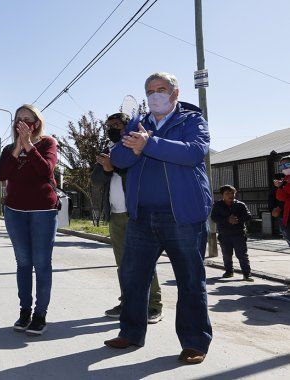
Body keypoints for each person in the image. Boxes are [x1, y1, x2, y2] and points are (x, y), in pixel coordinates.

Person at [104, 72, 213, 365]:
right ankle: (130, 332)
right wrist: (134, 141)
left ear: (175, 94)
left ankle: (194, 343)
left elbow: (194, 153)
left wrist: (149, 144)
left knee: (190, 282)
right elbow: (120, 159)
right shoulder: (139, 123)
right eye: (150, 90)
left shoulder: (191, 121)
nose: (156, 95)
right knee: (133, 278)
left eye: (161, 89)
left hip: (183, 217)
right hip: (142, 216)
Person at [91, 113, 163, 323]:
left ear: (128, 125)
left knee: (144, 263)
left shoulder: (137, 146)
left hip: (136, 214)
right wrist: (106, 169)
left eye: (117, 124)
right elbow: (96, 179)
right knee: (123, 264)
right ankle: (127, 302)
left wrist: (115, 167)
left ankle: (153, 305)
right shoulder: (109, 150)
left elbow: (139, 174)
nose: (112, 129)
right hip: (115, 216)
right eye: (109, 126)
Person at [0, 105, 58, 336]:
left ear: (37, 123)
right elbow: (2, 175)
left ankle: (40, 314)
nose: (23, 123)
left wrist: (29, 145)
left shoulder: (47, 143)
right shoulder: (9, 149)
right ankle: (25, 311)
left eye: (28, 119)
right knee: (23, 263)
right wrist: (18, 148)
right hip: (15, 211)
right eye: (19, 119)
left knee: (42, 263)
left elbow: (46, 170)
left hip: (43, 211)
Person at [211, 185, 252, 281]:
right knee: (226, 254)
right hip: (224, 234)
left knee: (242, 254)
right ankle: (229, 271)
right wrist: (227, 220)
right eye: (227, 193)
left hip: (239, 234)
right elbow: (214, 218)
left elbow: (248, 216)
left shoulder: (240, 205)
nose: (230, 195)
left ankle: (247, 274)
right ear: (222, 195)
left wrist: (237, 220)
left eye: (232, 193)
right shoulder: (218, 205)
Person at [271, 157, 290, 247]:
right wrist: (280, 186)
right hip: (287, 215)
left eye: (287, 164)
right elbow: (281, 197)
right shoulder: (285, 179)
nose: (284, 167)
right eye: (282, 166)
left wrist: (284, 186)